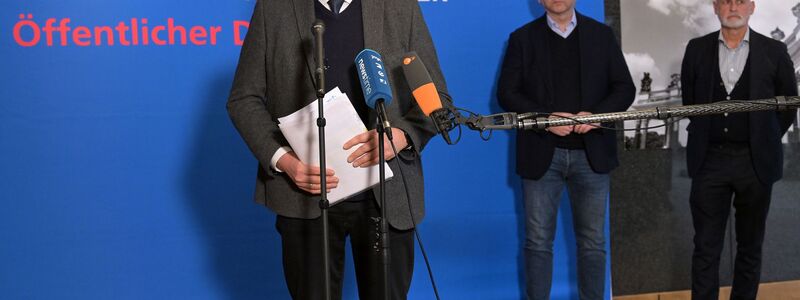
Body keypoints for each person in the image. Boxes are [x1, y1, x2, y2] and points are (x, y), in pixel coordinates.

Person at [226, 0, 447, 298]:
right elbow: (243, 99)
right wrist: (284, 161)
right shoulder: (273, 7)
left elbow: (437, 99)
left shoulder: (399, 5)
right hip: (304, 198)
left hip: (387, 196)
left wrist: (401, 136)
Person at [497, 0, 635, 299]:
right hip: (541, 154)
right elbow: (507, 93)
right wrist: (544, 120)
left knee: (593, 243)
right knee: (537, 242)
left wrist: (596, 116)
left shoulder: (601, 35)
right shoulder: (522, 38)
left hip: (592, 155)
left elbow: (625, 88)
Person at [680, 1, 797, 299]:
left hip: (755, 162)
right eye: (726, 0)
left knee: (750, 247)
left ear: (752, 7)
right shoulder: (696, 49)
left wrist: (764, 137)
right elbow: (691, 103)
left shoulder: (775, 51)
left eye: (740, 0)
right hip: (709, 161)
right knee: (705, 248)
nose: (733, 6)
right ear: (716, 7)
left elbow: (787, 106)